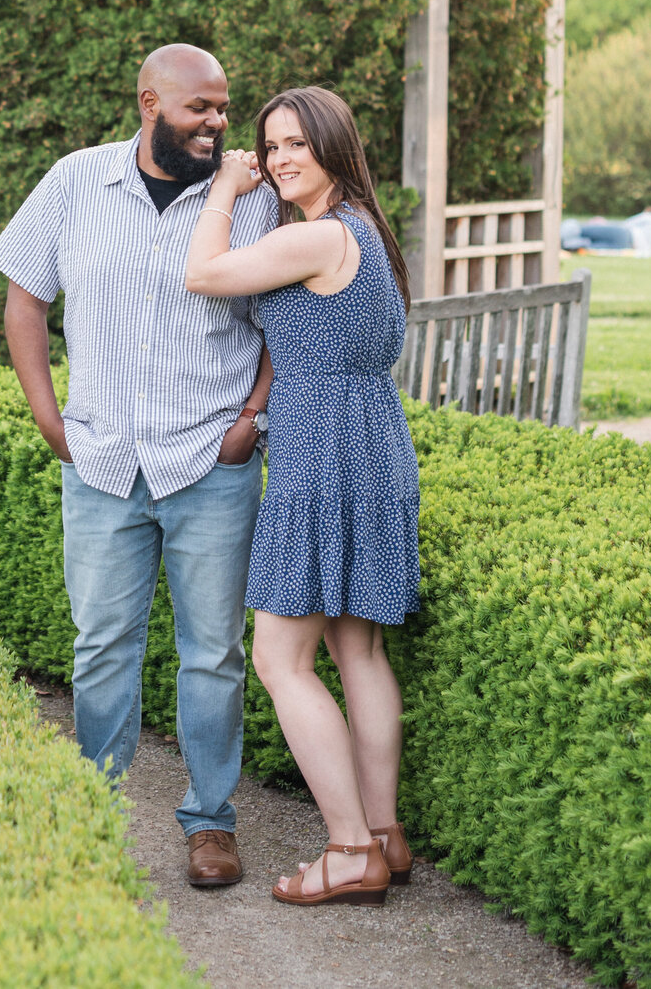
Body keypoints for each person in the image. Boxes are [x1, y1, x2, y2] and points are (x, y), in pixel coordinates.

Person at [0, 44, 276, 887]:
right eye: (201, 110)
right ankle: (92, 815)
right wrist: (49, 418)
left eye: (225, 109)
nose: (219, 124)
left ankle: (210, 823)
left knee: (213, 653)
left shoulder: (253, 202)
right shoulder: (75, 181)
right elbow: (25, 299)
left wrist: (251, 419)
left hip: (211, 462)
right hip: (102, 457)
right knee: (102, 645)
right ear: (150, 103)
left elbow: (289, 322)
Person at [185, 85, 420, 907]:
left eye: (295, 144)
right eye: (270, 145)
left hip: (322, 452)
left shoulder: (320, 237)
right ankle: (385, 834)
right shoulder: (366, 231)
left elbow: (202, 273)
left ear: (332, 145)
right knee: (357, 649)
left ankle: (352, 851)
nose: (280, 158)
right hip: (377, 443)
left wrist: (223, 191)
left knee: (280, 658)